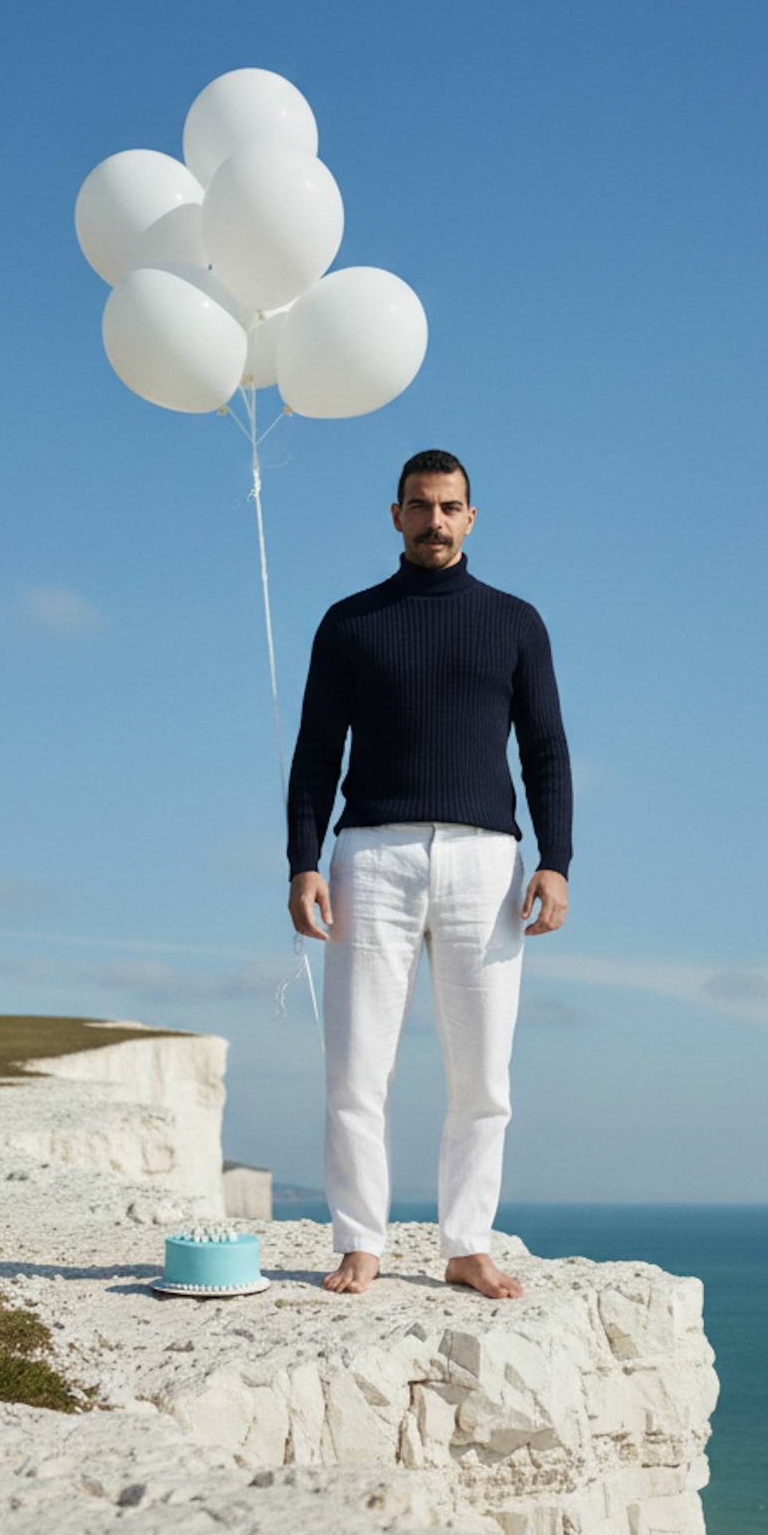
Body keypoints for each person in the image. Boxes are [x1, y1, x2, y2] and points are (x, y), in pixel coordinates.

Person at [286, 450, 572, 1298]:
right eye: (420, 506)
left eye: (450, 507)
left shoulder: (515, 621)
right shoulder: (349, 622)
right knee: (355, 1065)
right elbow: (312, 757)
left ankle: (465, 1243)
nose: (435, 521)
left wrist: (555, 861)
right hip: (370, 853)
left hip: (487, 859)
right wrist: (303, 860)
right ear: (395, 515)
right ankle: (358, 1241)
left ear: (471, 518)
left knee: (483, 1073)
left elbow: (546, 750)